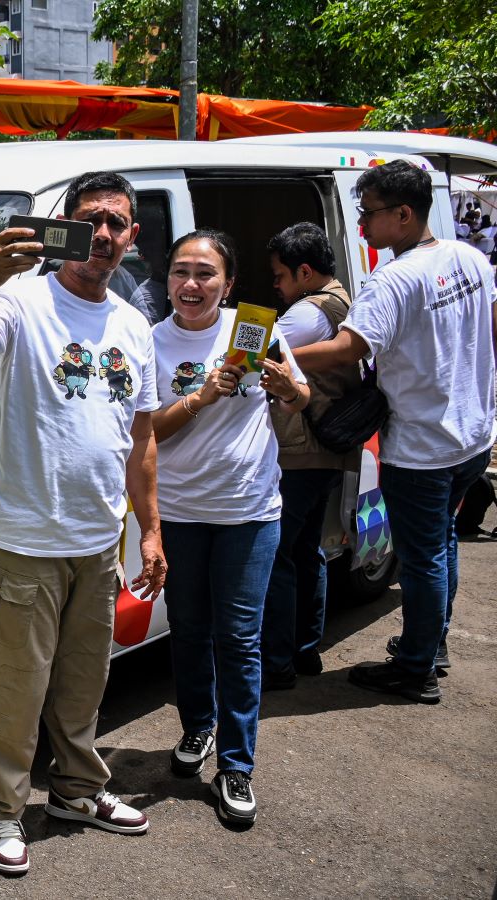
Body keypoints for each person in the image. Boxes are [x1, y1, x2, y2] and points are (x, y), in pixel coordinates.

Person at [0, 171, 167, 875]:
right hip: (20, 541)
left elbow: (141, 441)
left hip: (97, 540)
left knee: (83, 686)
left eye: (117, 223)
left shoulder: (134, 324)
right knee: (16, 693)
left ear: (132, 238)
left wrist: (151, 530)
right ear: (63, 227)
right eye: (89, 220)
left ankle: (77, 792)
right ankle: (2, 814)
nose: (102, 235)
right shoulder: (21, 299)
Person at [293, 159, 496, 704]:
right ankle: (433, 645)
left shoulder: (395, 278)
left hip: (424, 448)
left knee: (424, 555)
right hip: (472, 437)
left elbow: (349, 347)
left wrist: (271, 352)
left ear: (404, 214)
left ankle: (414, 669)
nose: (361, 226)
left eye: (369, 214)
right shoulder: (469, 258)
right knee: (442, 544)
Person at [150, 228, 309, 828]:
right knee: (188, 630)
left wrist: (285, 387)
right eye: (181, 273)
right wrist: (203, 396)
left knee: (238, 639)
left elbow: (300, 399)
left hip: (248, 510)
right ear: (167, 280)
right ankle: (198, 730)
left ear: (228, 283)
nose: (192, 285)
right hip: (182, 512)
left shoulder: (255, 328)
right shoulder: (149, 342)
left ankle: (237, 765)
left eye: (206, 274)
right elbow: (148, 433)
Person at [260, 223, 359, 690]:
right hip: (325, 446)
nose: (276, 286)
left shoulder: (306, 314)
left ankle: (277, 660)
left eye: (280, 277)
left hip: (301, 447)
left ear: (304, 272)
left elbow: (250, 351)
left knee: (278, 552)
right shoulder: (339, 298)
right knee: (306, 550)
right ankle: (304, 650)